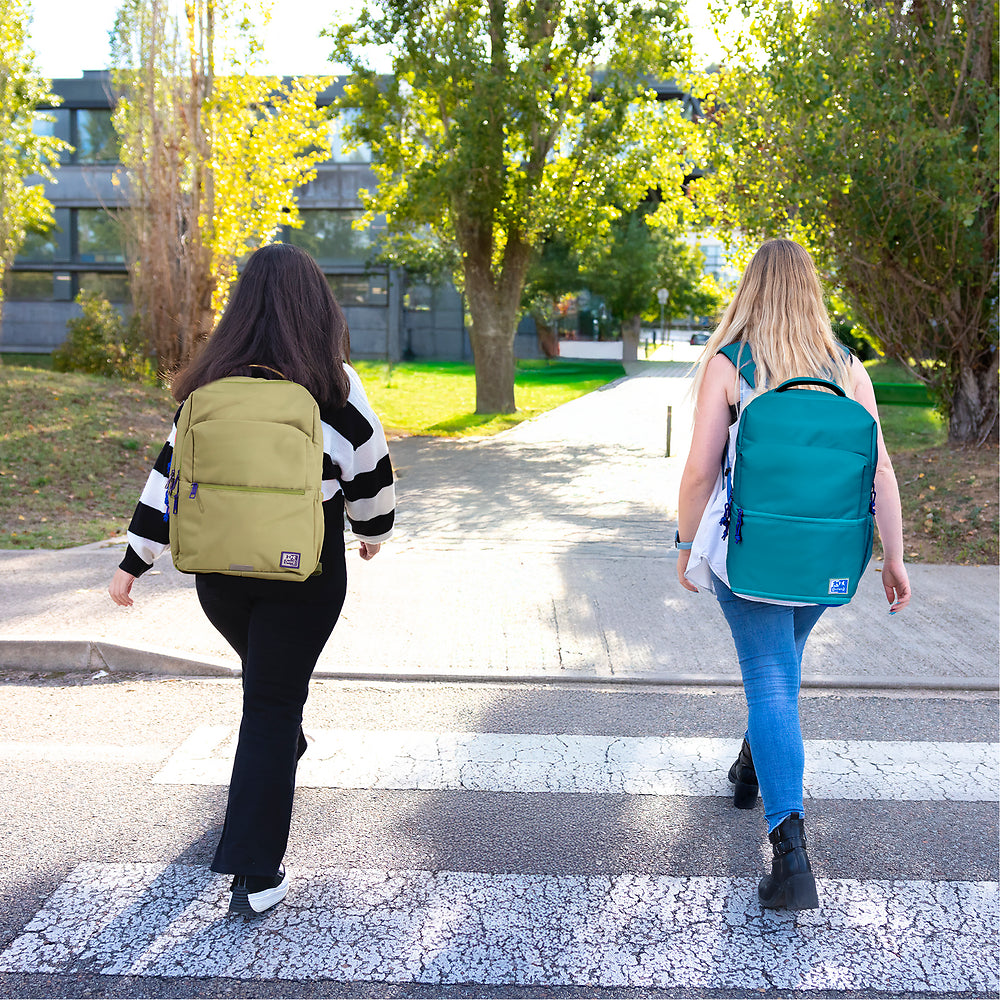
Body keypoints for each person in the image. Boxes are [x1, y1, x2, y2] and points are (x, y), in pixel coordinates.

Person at [108, 243, 395, 917]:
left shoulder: (208, 387)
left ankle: (280, 747)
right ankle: (255, 873)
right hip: (304, 573)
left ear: (241, 308)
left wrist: (134, 561)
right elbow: (370, 468)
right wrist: (372, 532)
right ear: (317, 308)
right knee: (271, 702)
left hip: (218, 575)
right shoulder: (333, 386)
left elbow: (167, 477)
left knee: (268, 690)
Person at [675, 239, 911, 911]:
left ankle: (791, 854)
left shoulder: (732, 364)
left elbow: (699, 471)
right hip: (826, 559)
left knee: (771, 678)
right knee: (779, 669)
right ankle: (753, 764)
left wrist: (686, 543)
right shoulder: (848, 369)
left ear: (750, 289)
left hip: (750, 557)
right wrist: (893, 557)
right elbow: (880, 470)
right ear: (812, 291)